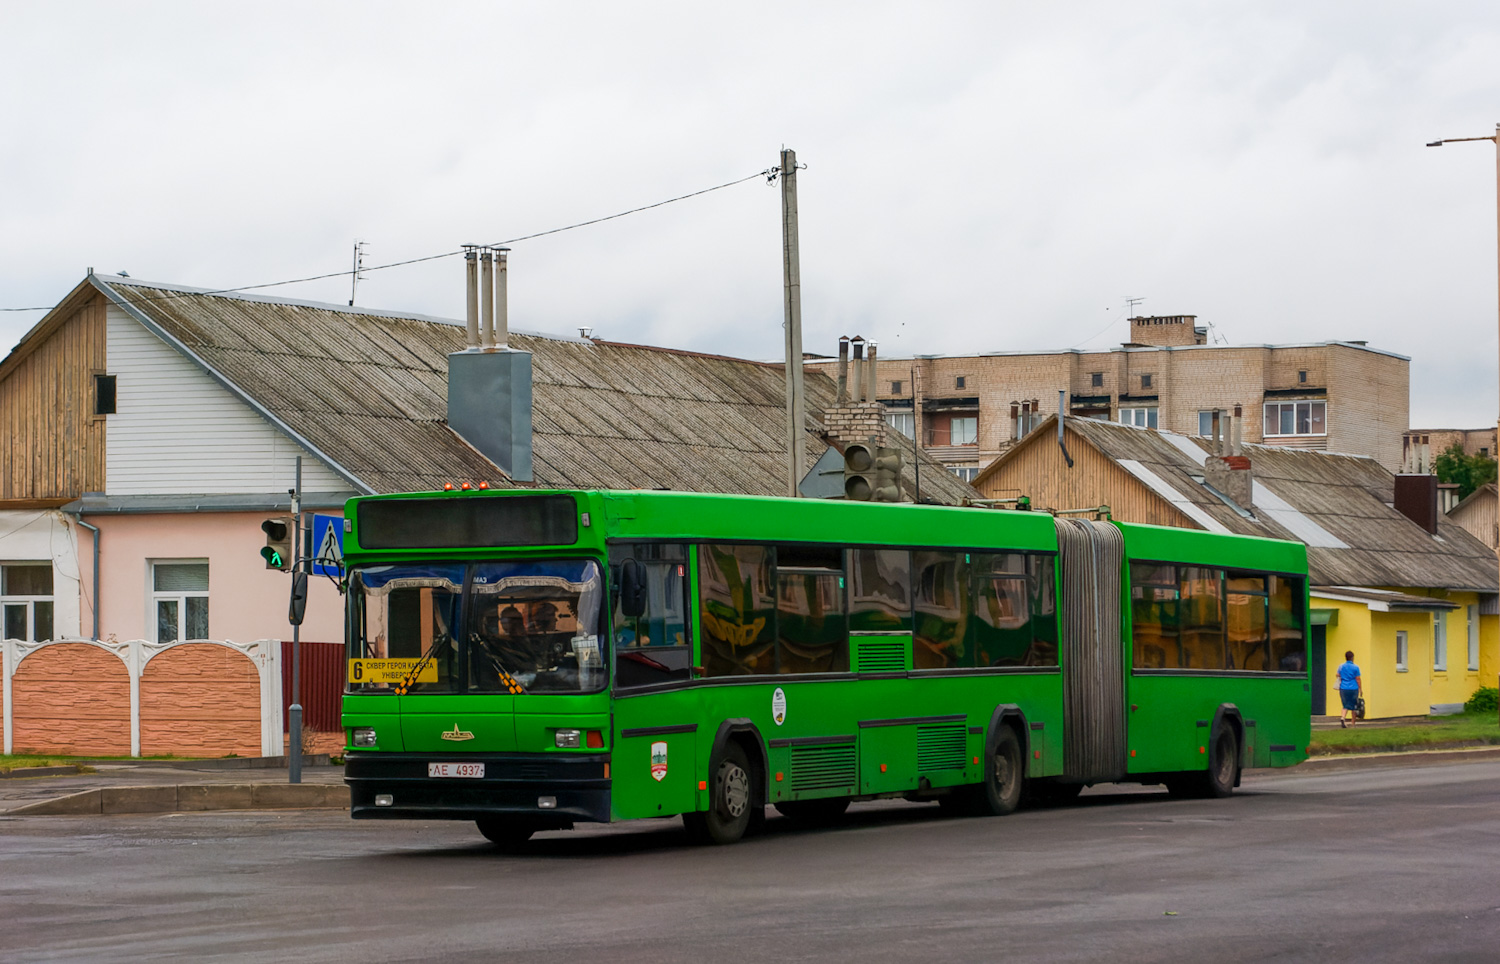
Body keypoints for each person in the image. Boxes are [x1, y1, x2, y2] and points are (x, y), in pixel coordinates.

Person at [1336, 650, 1363, 728]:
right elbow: (1358, 678)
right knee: (1354, 706)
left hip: (1343, 688)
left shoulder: (1341, 666)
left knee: (1345, 705)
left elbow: (1337, 674)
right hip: (1353, 688)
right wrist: (1360, 689)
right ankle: (1353, 723)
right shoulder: (1355, 667)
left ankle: (1343, 718)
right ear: (1352, 658)